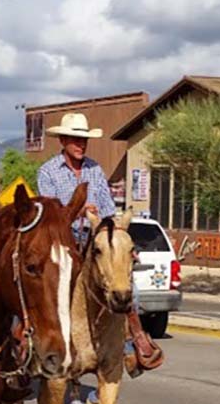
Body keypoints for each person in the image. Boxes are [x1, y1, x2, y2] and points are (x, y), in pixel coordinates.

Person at [36, 112, 162, 376]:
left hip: (96, 243)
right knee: (45, 291)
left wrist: (115, 237)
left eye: (83, 140)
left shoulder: (95, 170)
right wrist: (76, 211)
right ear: (62, 140)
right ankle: (28, 347)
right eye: (74, 140)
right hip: (65, 243)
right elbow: (49, 213)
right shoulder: (47, 172)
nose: (80, 145)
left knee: (126, 289)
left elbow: (107, 210)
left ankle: (132, 344)